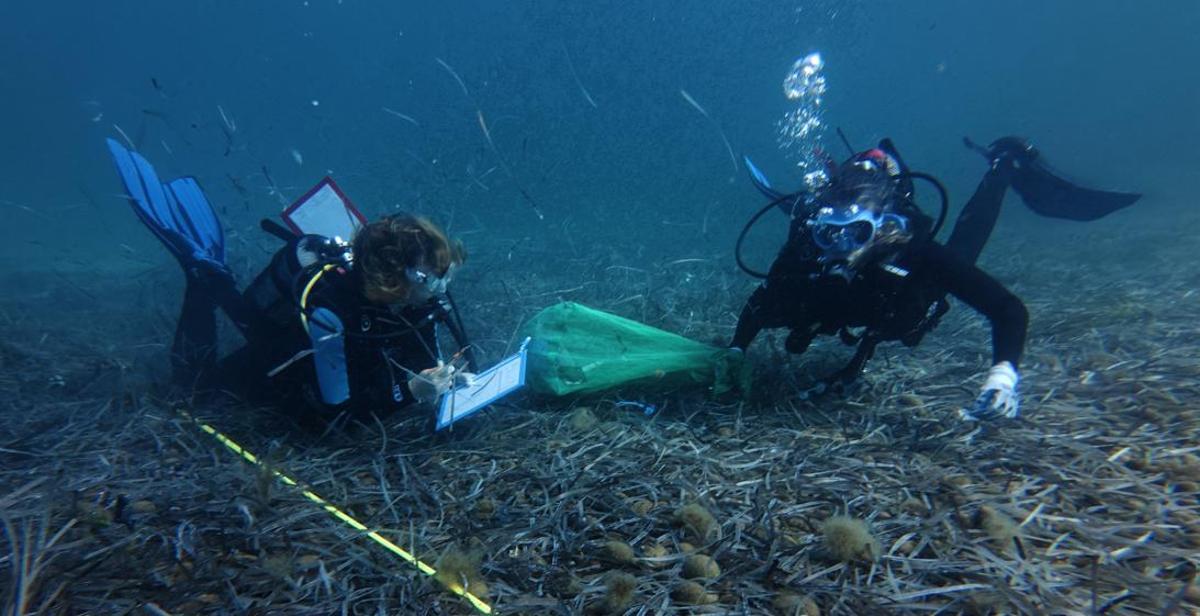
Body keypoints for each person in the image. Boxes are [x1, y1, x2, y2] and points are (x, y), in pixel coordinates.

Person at [730, 136, 1140, 420]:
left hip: (903, 301)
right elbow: (761, 302)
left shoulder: (910, 249)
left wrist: (1003, 377)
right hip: (844, 299)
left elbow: (1007, 309)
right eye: (828, 234)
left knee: (964, 244)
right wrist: (736, 350)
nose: (839, 248)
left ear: (881, 229)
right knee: (800, 270)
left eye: (857, 233)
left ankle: (1003, 166)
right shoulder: (806, 248)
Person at [105, 139, 475, 421]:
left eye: (444, 274)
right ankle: (203, 278)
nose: (441, 288)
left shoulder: (417, 298)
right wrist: (411, 391)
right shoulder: (331, 311)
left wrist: (443, 378)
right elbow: (335, 414)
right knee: (196, 390)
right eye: (432, 278)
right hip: (281, 362)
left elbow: (423, 358)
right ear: (392, 280)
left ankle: (213, 278)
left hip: (350, 352)